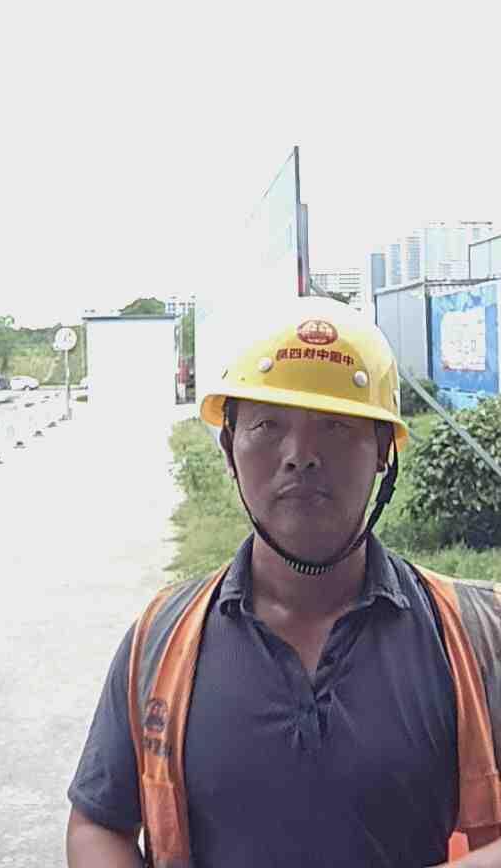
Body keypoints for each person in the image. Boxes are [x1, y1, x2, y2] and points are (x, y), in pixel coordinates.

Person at [66, 297, 501, 868]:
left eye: (336, 426)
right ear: (229, 448)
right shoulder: (161, 637)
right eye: (268, 425)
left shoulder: (476, 636)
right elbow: (99, 823)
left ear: (382, 453)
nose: (301, 456)